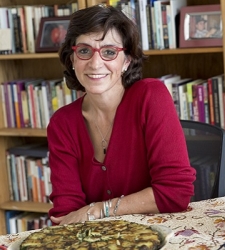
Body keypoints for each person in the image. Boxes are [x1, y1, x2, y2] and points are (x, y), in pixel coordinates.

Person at [47, 4, 196, 225]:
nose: (96, 63)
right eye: (84, 51)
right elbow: (66, 214)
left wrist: (100, 210)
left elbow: (175, 193)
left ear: (126, 60)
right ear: (72, 58)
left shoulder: (150, 96)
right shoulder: (62, 123)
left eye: (109, 52)